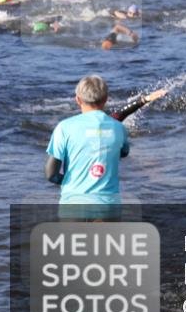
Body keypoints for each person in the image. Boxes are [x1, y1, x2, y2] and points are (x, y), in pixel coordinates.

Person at [44, 76, 130, 219]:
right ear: (106, 99)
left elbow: (50, 174)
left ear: (78, 99)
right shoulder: (119, 128)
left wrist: (65, 181)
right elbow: (123, 153)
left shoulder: (64, 127)